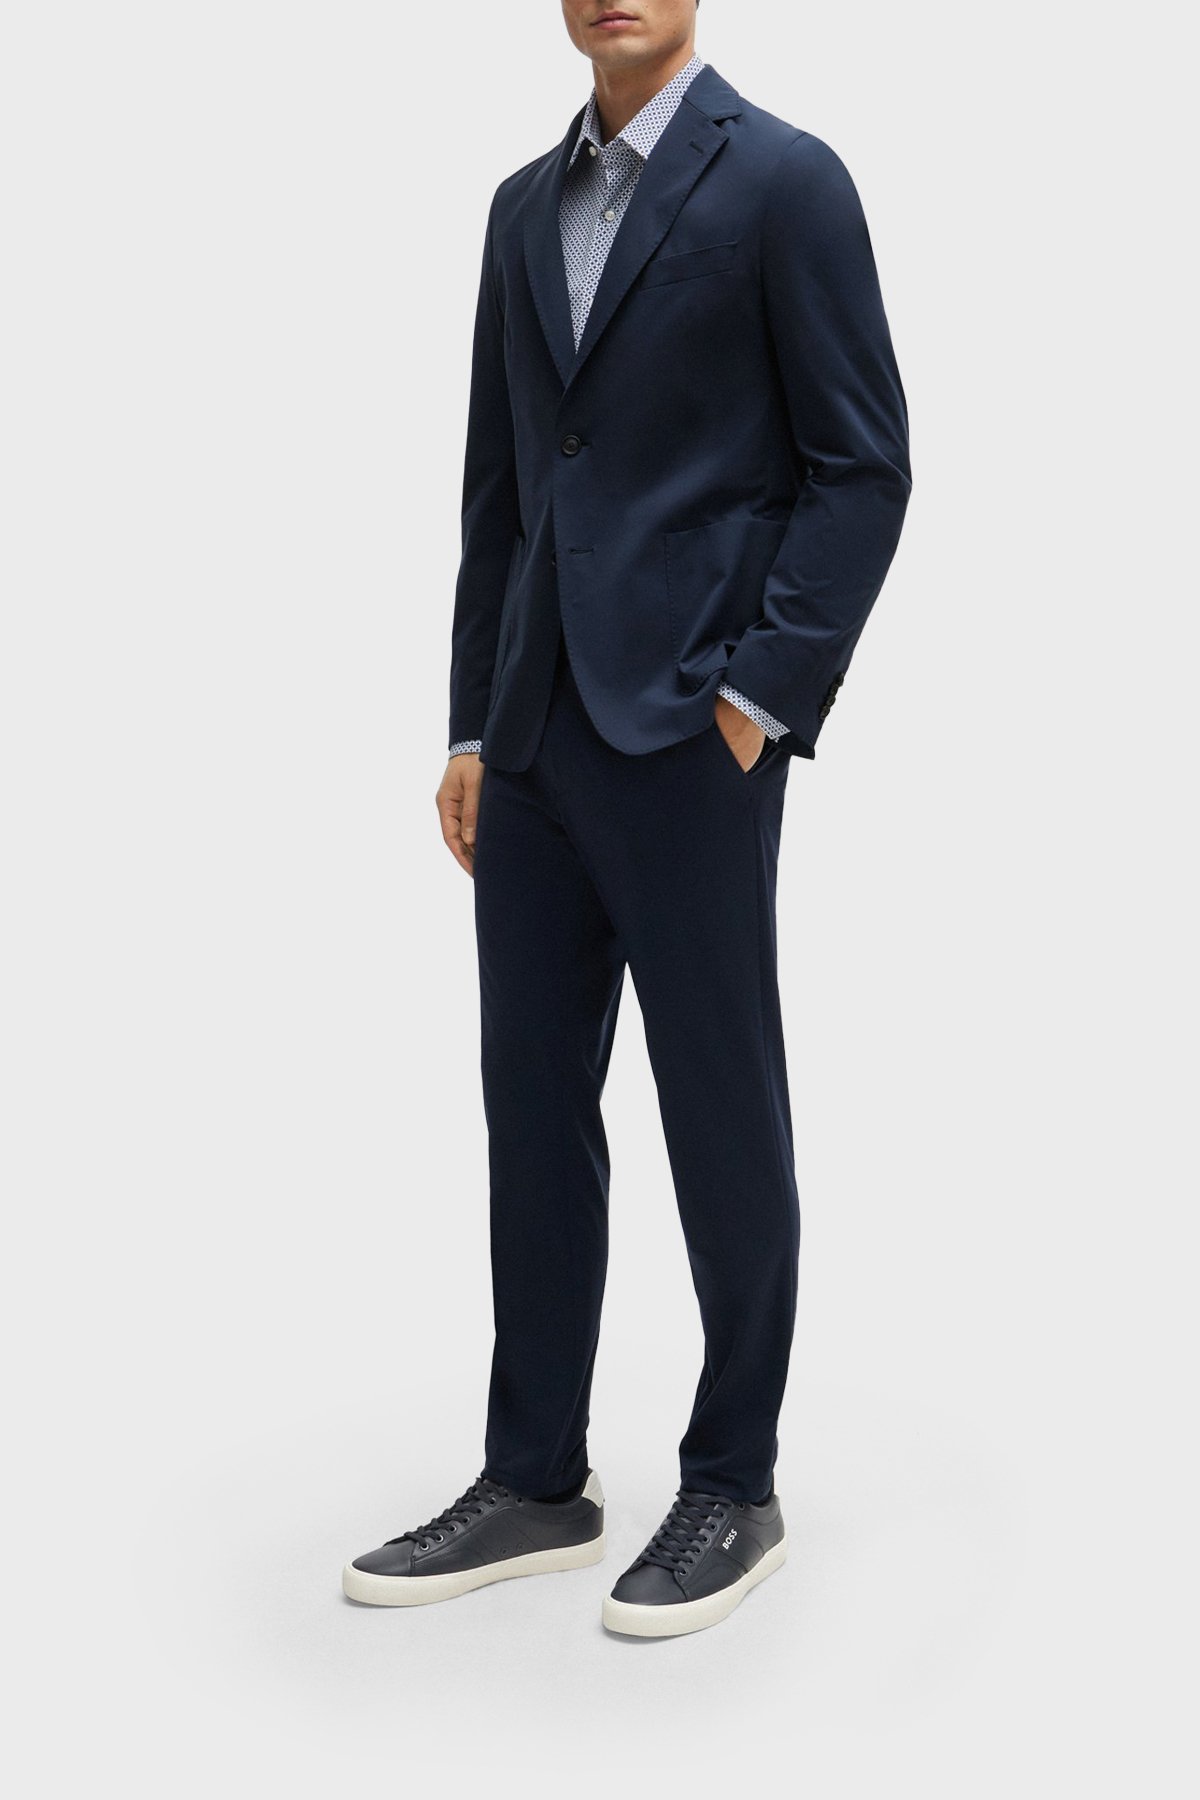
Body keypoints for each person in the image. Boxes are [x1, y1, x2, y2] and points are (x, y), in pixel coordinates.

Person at [343, 0, 911, 1638]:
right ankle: (536, 1479)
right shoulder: (521, 207)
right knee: (532, 1107)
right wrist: (471, 722)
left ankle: (735, 1480)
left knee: (719, 1103)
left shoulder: (786, 182)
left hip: (688, 736)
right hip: (530, 743)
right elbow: (500, 490)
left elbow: (864, 467)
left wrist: (757, 697)